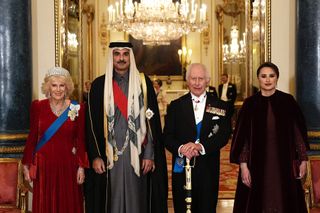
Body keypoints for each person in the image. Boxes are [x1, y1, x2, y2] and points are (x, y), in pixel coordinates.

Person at [85, 41, 168, 213]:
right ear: (111, 57)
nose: (121, 58)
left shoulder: (143, 84)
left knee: (137, 200)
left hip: (137, 153)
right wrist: (95, 156)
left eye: (125, 54)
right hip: (109, 154)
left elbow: (151, 123)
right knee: (111, 200)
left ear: (131, 56)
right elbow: (90, 125)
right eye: (117, 54)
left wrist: (149, 154)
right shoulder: (99, 86)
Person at [230, 62, 309, 213]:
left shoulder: (288, 101)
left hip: (285, 162)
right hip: (255, 163)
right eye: (263, 76)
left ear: (277, 78)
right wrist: (244, 166)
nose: (267, 80)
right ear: (258, 79)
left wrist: (303, 159)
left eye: (271, 76)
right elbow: (243, 139)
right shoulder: (249, 104)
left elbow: (298, 133)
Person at [164, 63, 232, 213]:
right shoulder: (175, 106)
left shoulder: (220, 106)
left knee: (206, 207)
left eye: (200, 78)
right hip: (182, 166)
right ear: (187, 80)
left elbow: (223, 135)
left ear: (207, 80)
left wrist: (201, 147)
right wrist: (182, 148)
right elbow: (167, 136)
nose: (197, 82)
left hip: (208, 167)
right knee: (183, 208)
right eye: (193, 78)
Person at [22, 67, 88, 213]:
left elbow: (80, 139)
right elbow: (32, 136)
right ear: (48, 87)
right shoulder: (38, 106)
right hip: (44, 167)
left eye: (62, 85)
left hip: (68, 166)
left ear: (67, 87)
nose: (58, 89)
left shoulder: (77, 108)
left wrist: (81, 167)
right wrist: (26, 165)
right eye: (54, 85)